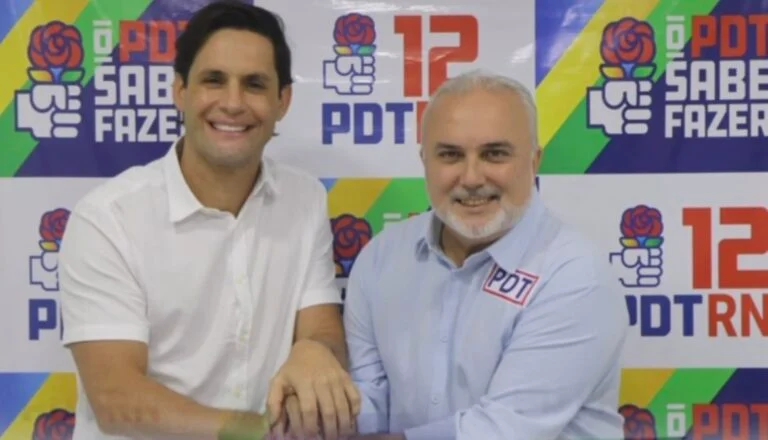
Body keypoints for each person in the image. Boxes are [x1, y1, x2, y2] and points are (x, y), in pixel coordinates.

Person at [58, 2, 359, 439]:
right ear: (180, 91)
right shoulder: (108, 218)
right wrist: (259, 433)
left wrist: (315, 352)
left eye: (254, 84)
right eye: (214, 80)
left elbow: (321, 326)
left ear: (283, 101)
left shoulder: (305, 198)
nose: (233, 103)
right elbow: (117, 400)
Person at [340, 70, 629, 440]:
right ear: (425, 161)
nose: (472, 178)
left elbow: (502, 431)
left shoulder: (575, 275)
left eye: (495, 154)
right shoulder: (381, 257)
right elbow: (368, 397)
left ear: (534, 161)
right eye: (450, 155)